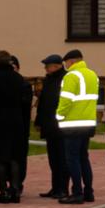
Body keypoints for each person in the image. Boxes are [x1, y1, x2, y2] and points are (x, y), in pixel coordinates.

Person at [0, 51, 33, 204]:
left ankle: (3, 191)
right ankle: (15, 190)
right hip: (16, 123)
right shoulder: (19, 79)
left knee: (0, 159)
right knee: (15, 157)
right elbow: (25, 104)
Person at [55, 49, 100, 205]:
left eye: (66, 62)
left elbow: (65, 100)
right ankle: (88, 191)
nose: (65, 65)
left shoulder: (71, 76)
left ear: (71, 61)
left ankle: (77, 193)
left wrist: (59, 116)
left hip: (72, 124)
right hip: (87, 123)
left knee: (72, 159)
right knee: (83, 158)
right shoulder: (92, 75)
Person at [35, 54, 70, 199]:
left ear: (57, 66)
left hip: (61, 126)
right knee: (53, 159)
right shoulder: (49, 80)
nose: (46, 69)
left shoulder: (66, 79)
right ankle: (55, 187)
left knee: (62, 158)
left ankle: (63, 188)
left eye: (47, 66)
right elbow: (43, 103)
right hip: (49, 125)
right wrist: (38, 121)